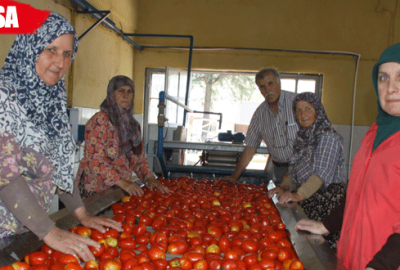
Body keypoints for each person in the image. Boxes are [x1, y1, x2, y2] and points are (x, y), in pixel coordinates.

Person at [0, 13, 122, 262]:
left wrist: (82, 214)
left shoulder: (51, 100)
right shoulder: (4, 95)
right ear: (28, 48)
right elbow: (5, 173)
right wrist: (50, 232)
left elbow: (60, 168)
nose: (60, 62)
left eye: (67, 53)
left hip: (23, 228)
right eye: (50, 49)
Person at [296, 43, 400, 270]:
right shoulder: (374, 133)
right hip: (355, 256)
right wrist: (326, 225)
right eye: (383, 78)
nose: (391, 88)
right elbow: (357, 192)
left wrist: (380, 266)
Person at [268, 92, 347, 249]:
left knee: (321, 251)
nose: (303, 115)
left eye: (308, 109)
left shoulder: (328, 137)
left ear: (318, 110)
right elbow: (294, 169)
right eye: (298, 110)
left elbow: (320, 176)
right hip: (309, 199)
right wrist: (284, 187)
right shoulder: (303, 138)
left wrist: (297, 195)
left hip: (327, 204)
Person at [76, 75, 170, 198]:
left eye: (129, 91)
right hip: (95, 191)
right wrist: (123, 183)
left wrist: (149, 178)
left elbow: (139, 160)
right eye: (121, 90)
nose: (126, 95)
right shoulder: (100, 121)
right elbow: (95, 161)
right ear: (111, 93)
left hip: (119, 190)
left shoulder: (133, 126)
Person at [223, 68, 298, 185]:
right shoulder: (259, 114)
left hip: (303, 168)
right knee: (283, 201)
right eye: (262, 86)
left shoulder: (298, 103)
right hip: (279, 170)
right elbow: (250, 147)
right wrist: (235, 176)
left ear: (279, 82)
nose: (267, 89)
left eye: (270, 83)